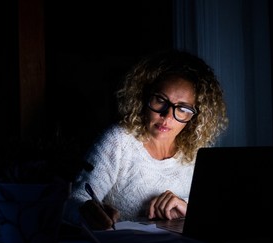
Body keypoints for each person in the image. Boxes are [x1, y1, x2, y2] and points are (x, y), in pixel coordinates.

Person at [63, 49, 228, 230]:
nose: (167, 116)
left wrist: (186, 207)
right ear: (143, 96)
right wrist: (89, 213)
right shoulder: (118, 141)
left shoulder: (197, 150)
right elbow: (73, 201)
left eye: (182, 109)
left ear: (196, 115)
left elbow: (216, 208)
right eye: (160, 100)